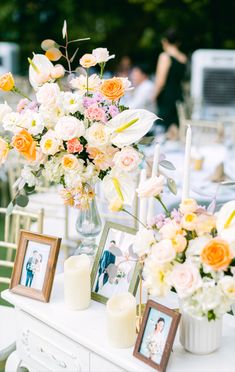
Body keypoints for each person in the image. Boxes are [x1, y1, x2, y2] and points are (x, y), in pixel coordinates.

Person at [153, 28, 187, 132]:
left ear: (165, 41)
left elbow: (161, 81)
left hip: (166, 97)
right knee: (176, 127)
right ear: (178, 42)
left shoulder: (165, 56)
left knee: (162, 128)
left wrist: (154, 95)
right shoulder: (183, 58)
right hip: (179, 94)